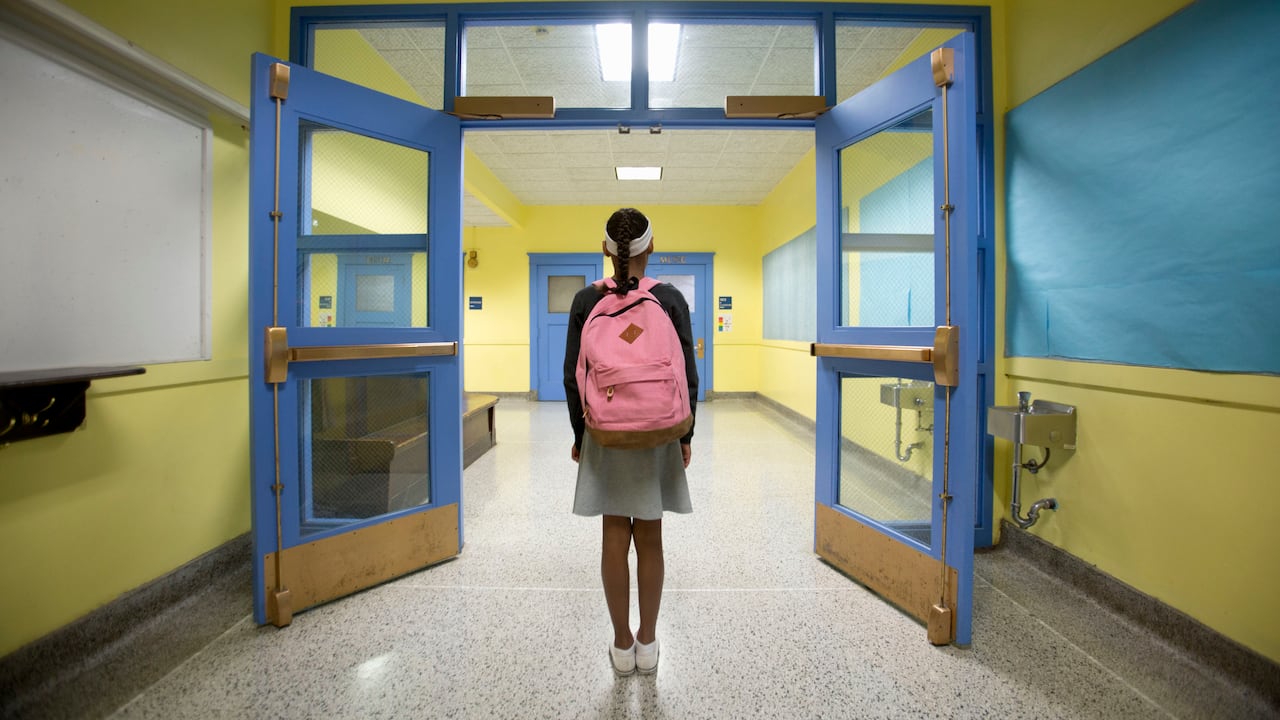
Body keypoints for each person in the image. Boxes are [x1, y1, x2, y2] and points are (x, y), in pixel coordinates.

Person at [563, 207, 698, 677]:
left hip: (607, 433)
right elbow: (688, 374)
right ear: (651, 248)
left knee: (613, 536)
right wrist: (685, 435)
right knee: (652, 537)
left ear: (606, 250)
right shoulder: (670, 299)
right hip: (659, 431)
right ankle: (648, 641)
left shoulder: (585, 300)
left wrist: (583, 438)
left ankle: (621, 646)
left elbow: (571, 376)